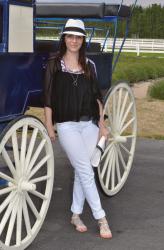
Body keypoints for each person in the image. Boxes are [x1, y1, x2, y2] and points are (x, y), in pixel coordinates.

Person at [44, 18, 112, 239]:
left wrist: (102, 125)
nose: (74, 40)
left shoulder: (89, 66)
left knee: (85, 169)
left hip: (88, 124)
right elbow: (47, 98)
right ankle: (101, 218)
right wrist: (49, 125)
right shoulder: (54, 64)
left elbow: (97, 98)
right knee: (84, 168)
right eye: (70, 36)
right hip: (67, 125)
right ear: (64, 38)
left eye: (78, 37)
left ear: (83, 40)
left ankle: (75, 214)